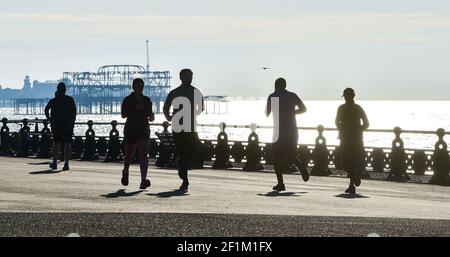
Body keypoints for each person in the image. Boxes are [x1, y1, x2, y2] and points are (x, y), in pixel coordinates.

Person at [163, 69, 204, 191]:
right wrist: (169, 117)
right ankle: (185, 180)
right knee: (183, 152)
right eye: (186, 77)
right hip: (177, 127)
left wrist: (192, 114)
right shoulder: (174, 92)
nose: (188, 79)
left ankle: (180, 163)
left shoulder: (196, 91)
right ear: (180, 78)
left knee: (193, 151)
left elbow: (201, 108)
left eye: (190, 76)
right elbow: (166, 107)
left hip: (191, 127)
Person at [266, 78, 309, 191]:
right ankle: (300, 165)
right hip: (292, 129)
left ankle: (281, 183)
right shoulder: (292, 96)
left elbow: (267, 113)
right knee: (291, 155)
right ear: (285, 86)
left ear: (276, 85)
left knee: (277, 158)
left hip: (278, 131)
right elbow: (303, 109)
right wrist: (292, 112)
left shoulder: (273, 96)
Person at [121, 78, 155, 190]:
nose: (140, 89)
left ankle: (143, 180)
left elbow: (151, 115)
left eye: (141, 87)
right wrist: (135, 108)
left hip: (144, 129)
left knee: (143, 155)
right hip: (131, 128)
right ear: (133, 87)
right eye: (137, 86)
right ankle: (125, 172)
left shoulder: (147, 100)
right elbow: (123, 115)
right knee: (129, 154)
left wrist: (151, 116)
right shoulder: (127, 100)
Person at [335, 87, 369, 194]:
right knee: (347, 162)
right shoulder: (354, 108)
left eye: (346, 96)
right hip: (353, 138)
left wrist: (346, 129)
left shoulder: (352, 108)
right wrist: (358, 129)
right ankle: (355, 175)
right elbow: (366, 124)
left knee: (348, 161)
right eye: (345, 96)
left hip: (350, 138)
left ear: (352, 97)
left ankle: (352, 184)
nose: (346, 98)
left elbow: (337, 122)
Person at [45, 82, 77, 171]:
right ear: (65, 90)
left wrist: (49, 118)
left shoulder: (54, 100)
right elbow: (74, 113)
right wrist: (72, 123)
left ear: (57, 90)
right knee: (67, 144)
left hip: (56, 125)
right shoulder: (70, 99)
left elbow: (46, 109)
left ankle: (54, 162)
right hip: (67, 125)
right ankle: (66, 163)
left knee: (56, 143)